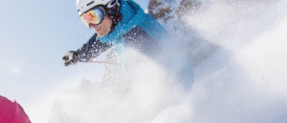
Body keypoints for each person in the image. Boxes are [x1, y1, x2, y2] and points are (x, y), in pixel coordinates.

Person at [63, 0, 195, 82]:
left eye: (95, 16)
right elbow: (98, 42)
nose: (93, 25)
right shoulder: (117, 27)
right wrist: (78, 55)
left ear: (111, 7)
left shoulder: (139, 33)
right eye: (86, 19)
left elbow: (179, 69)